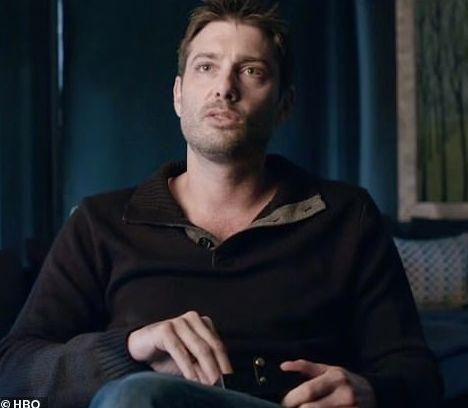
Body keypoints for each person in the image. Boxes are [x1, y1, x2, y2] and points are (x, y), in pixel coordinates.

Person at [0, 0, 442, 407]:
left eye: (251, 71)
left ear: (284, 104)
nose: (224, 88)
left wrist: (371, 391)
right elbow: (13, 378)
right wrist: (129, 349)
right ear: (178, 95)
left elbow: (419, 376)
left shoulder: (346, 216)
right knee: (137, 395)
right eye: (206, 67)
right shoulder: (100, 223)